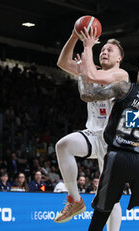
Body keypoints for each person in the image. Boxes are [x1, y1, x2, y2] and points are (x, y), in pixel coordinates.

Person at [77, 47, 139, 231]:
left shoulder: (125, 88)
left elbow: (86, 95)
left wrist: (83, 74)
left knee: (101, 214)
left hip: (117, 156)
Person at [54, 25, 128, 229]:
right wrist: (73, 36)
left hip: (114, 141)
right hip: (93, 135)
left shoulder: (121, 75)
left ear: (119, 58)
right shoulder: (91, 70)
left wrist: (88, 48)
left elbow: (94, 77)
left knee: (110, 196)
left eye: (109, 50)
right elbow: (62, 62)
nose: (104, 51)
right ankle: (75, 201)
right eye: (102, 48)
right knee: (63, 145)